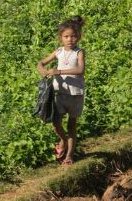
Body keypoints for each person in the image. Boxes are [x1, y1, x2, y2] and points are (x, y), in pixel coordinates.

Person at [36, 16, 86, 165]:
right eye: (66, 36)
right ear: (61, 38)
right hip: (60, 94)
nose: (70, 39)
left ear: (78, 37)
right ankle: (63, 140)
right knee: (56, 123)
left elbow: (80, 69)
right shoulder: (58, 51)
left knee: (71, 125)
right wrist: (43, 70)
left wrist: (59, 72)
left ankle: (69, 156)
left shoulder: (79, 52)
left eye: (73, 36)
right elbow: (41, 62)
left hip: (75, 95)